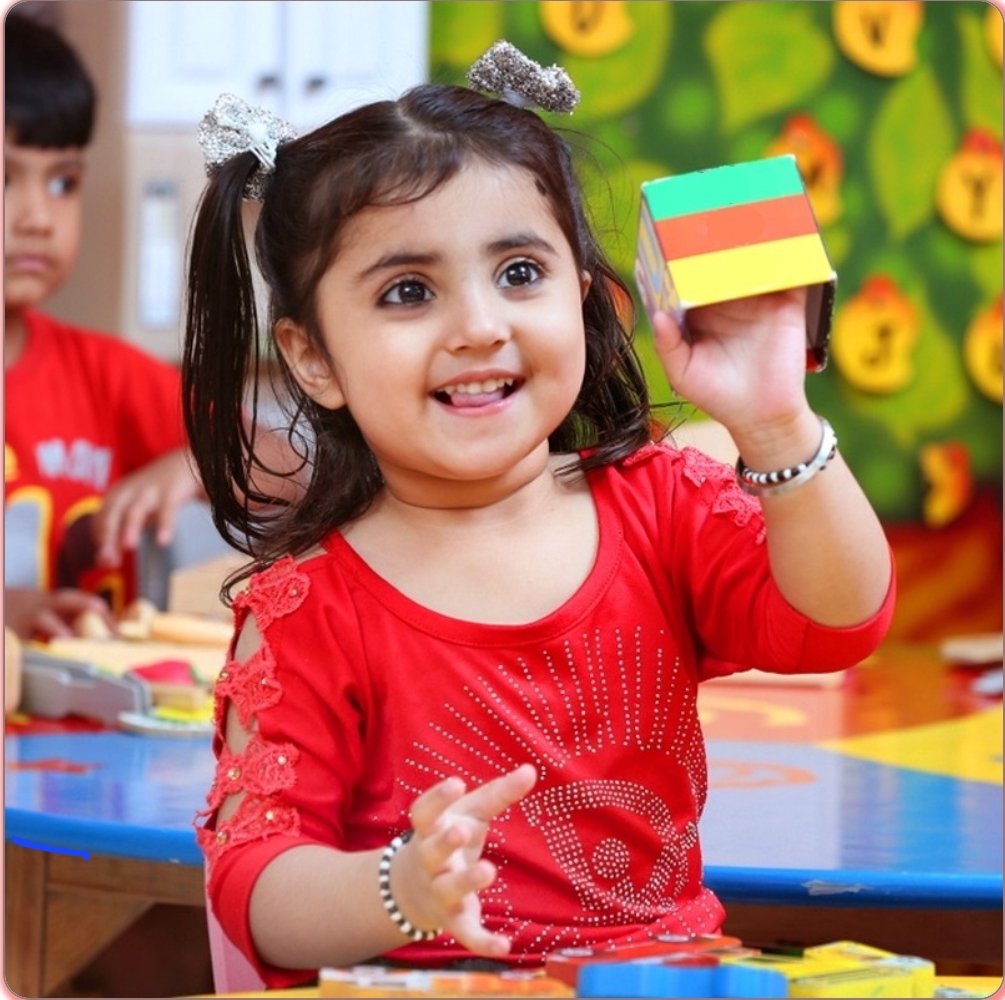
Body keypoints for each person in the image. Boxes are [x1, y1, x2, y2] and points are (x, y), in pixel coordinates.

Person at [184, 42, 895, 989]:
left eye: (519, 273)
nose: (481, 326)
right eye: (408, 292)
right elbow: (257, 888)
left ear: (584, 295)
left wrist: (774, 422)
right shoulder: (307, 609)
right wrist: (401, 887)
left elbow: (838, 620)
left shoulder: (660, 505)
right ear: (313, 359)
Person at [4, 13, 204, 640]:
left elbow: (295, 462)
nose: (38, 218)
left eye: (63, 182)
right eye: (5, 179)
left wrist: (205, 463)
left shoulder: (103, 376)